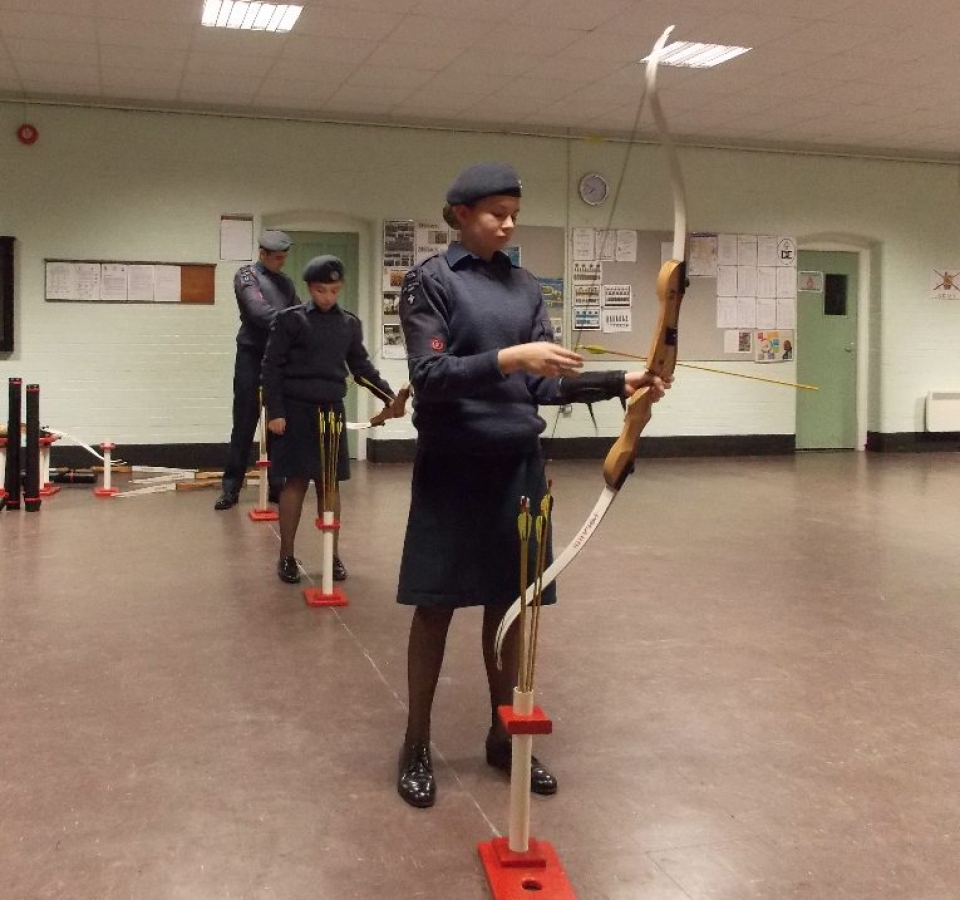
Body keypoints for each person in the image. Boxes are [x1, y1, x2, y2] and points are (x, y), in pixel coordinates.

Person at [395, 162, 671, 808]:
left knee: (512, 606)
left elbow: (544, 385)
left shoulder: (523, 287)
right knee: (435, 607)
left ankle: (503, 735)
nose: (508, 224)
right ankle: (415, 742)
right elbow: (430, 375)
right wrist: (511, 357)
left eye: (515, 213)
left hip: (516, 465)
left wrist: (619, 383)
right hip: (452, 466)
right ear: (461, 213)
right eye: (496, 212)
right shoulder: (430, 281)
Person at [262, 255, 400, 584]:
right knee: (295, 482)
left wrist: (389, 397)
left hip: (331, 411)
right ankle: (286, 556)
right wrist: (275, 411)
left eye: (334, 290)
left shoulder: (349, 324)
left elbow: (361, 369)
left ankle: (331, 555)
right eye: (321, 290)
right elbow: (271, 367)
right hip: (295, 411)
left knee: (329, 484)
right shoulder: (290, 320)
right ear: (310, 288)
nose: (328, 297)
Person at [216, 230, 299, 511]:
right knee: (244, 424)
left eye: (284, 257)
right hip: (251, 357)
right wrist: (291, 325)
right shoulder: (247, 276)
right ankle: (231, 488)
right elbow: (257, 311)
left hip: (278, 360)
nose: (282, 262)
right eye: (277, 257)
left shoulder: (286, 283)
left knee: (278, 423)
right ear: (263, 254)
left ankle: (277, 485)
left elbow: (300, 313)